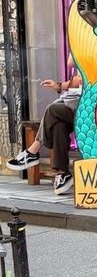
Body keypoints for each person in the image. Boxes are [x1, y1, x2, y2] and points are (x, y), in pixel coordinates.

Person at [7, 56, 81, 196]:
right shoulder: (82, 43)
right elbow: (73, 70)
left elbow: (77, 73)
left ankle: (33, 152)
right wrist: (58, 86)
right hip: (75, 101)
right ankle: (62, 173)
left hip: (92, 106)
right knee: (59, 125)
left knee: (52, 110)